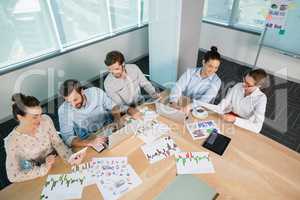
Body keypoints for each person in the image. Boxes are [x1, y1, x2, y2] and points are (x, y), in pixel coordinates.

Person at [5, 93, 80, 182]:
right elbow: (13, 176)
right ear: (20, 117)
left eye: (40, 114)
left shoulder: (46, 120)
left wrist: (70, 158)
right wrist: (44, 168)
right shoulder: (12, 141)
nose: (40, 120)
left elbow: (58, 143)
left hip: (57, 161)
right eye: (35, 117)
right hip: (37, 173)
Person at [197, 69, 268, 133]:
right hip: (227, 117)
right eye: (244, 80)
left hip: (244, 126)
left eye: (248, 84)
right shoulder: (238, 86)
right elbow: (221, 107)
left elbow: (257, 127)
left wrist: (235, 119)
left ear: (258, 86)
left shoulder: (261, 99)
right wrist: (198, 103)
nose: (243, 85)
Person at [58, 79, 121, 148]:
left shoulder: (96, 92)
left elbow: (113, 106)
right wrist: (90, 143)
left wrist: (117, 121)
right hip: (88, 139)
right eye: (69, 102)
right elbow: (67, 138)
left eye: (75, 100)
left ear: (82, 91)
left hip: (108, 128)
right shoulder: (63, 110)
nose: (73, 105)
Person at [104, 51, 160, 119]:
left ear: (123, 64)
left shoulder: (134, 68)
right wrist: (129, 110)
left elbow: (145, 84)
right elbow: (118, 105)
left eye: (116, 69)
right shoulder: (108, 83)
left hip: (140, 103)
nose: (114, 72)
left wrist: (153, 93)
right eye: (110, 70)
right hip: (125, 111)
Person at [169, 46, 222, 113]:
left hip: (200, 110)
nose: (212, 70)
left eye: (216, 68)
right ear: (203, 62)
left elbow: (204, 100)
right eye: (210, 66)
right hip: (182, 104)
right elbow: (177, 87)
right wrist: (173, 102)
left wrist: (188, 107)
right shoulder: (190, 72)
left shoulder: (217, 81)